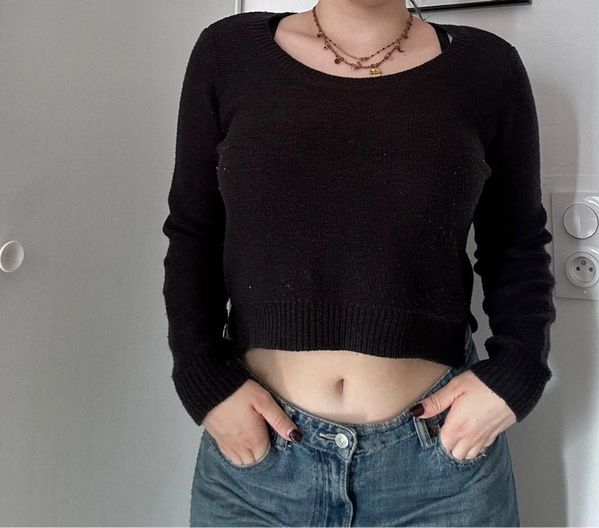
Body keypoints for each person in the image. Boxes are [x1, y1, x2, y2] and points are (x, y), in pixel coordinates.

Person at [161, 1, 556, 526]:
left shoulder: (488, 67)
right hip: (259, 471)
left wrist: (517, 373)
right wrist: (203, 380)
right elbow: (194, 232)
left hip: (440, 473)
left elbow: (516, 241)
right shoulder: (227, 53)